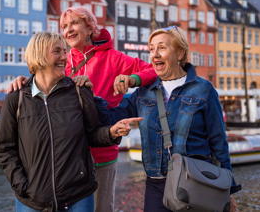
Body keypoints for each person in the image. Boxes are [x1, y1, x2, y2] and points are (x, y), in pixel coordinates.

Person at [9, 6, 157, 212]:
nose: (67, 30)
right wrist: (25, 82)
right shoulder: (64, 61)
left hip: (101, 149)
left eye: (74, 23)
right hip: (67, 155)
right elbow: (42, 82)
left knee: (101, 208)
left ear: (90, 28)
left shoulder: (114, 58)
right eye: (64, 26)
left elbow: (154, 70)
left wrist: (133, 78)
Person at [96, 26, 240, 212]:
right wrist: (88, 93)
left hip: (197, 182)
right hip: (156, 184)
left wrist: (227, 191)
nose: (155, 54)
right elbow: (110, 116)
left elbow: (218, 142)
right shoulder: (143, 93)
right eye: (151, 49)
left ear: (180, 53)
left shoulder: (203, 89)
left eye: (162, 48)